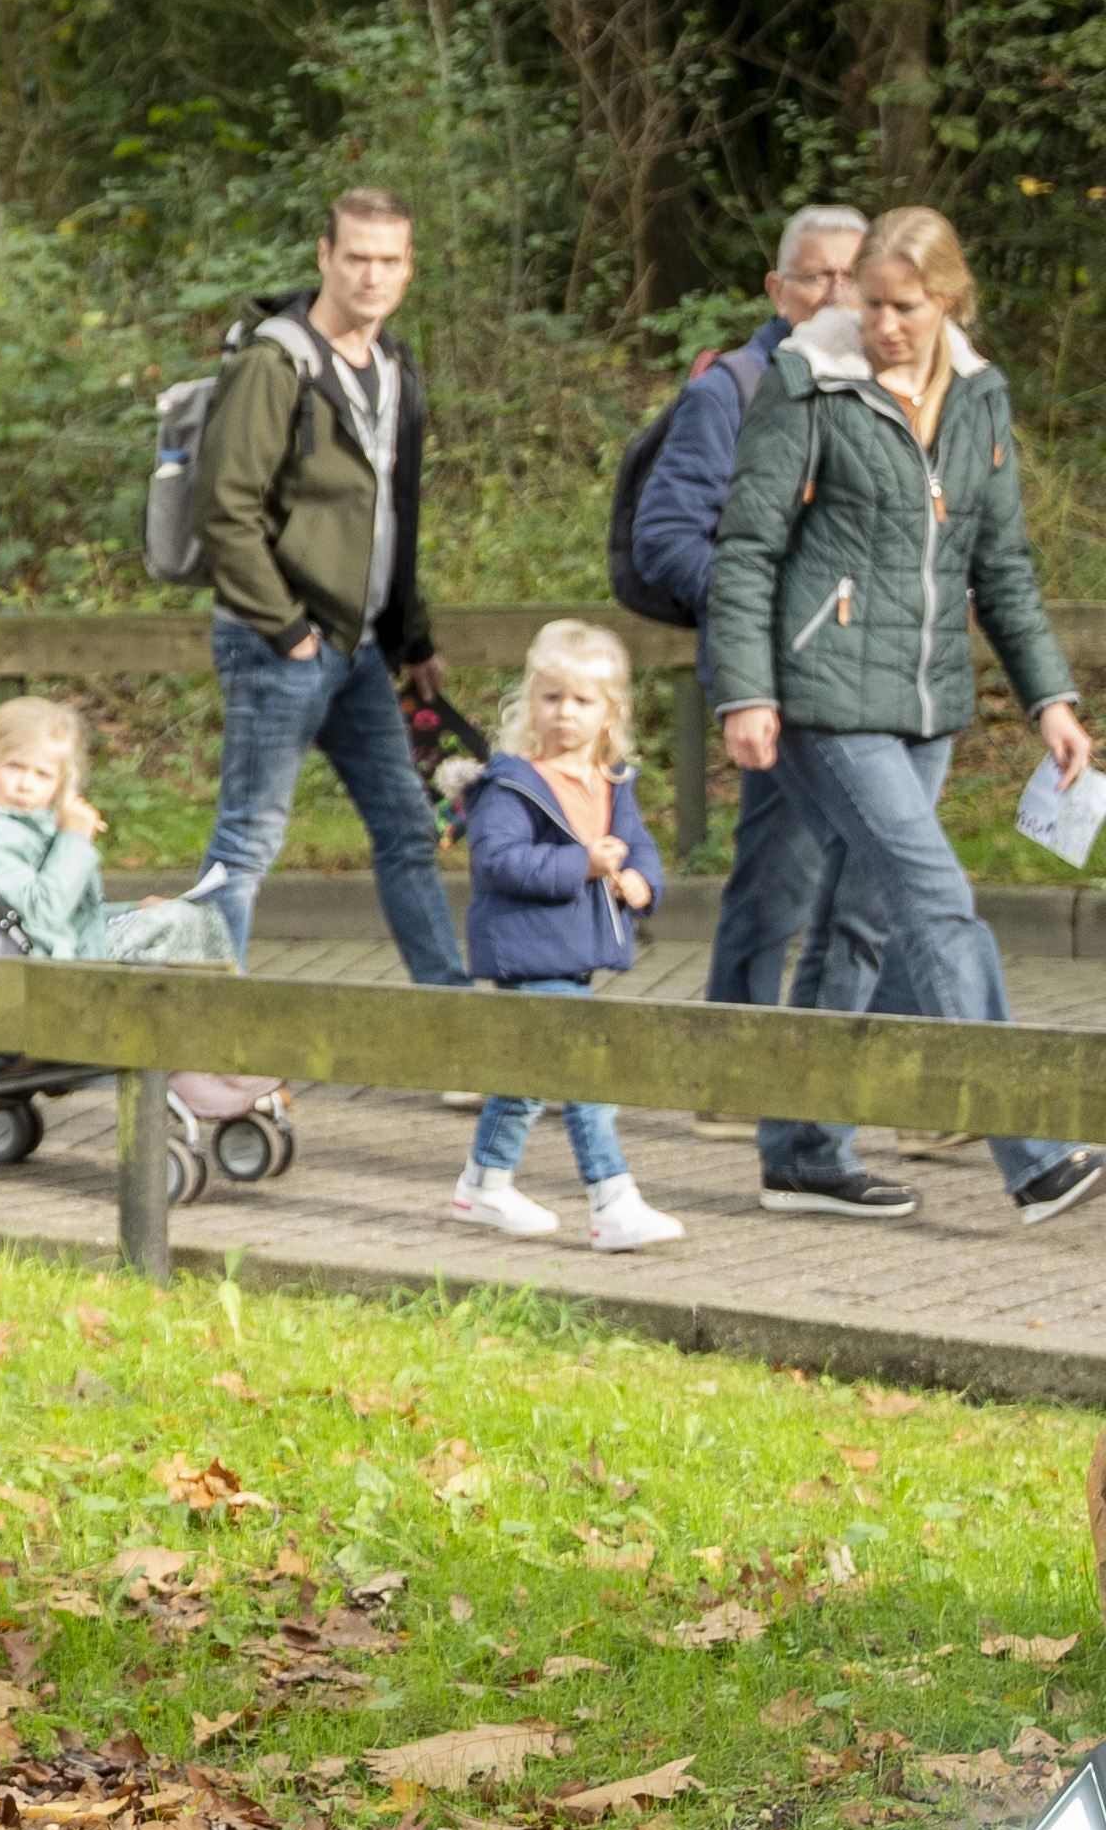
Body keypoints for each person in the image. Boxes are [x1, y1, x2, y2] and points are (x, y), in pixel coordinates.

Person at [700, 206, 1102, 1228]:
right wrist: (743, 691)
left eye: (902, 306)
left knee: (855, 921)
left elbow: (1001, 568)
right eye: (865, 301)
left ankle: (801, 1151)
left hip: (925, 701)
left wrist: (1050, 697)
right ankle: (1035, 1147)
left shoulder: (980, 400)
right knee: (935, 899)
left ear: (949, 303)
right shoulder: (804, 385)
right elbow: (744, 548)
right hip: (823, 697)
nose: (878, 322)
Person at [620, 202, 900, 1217]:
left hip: (861, 676)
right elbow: (666, 540)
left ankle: (749, 1071)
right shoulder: (732, 392)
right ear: (777, 291)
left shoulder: (877, 383)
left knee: (828, 866)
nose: (832, 296)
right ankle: (740, 1075)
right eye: (813, 278)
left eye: (849, 278)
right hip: (772, 675)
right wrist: (771, 616)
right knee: (832, 867)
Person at [184, 187, 468, 986]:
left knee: (410, 831)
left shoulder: (395, 367)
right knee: (246, 842)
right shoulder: (274, 364)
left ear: (409, 268)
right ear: (325, 258)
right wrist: (288, 629)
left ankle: (455, 1028)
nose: (372, 276)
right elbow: (224, 513)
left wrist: (413, 638)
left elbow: (395, 514)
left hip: (361, 647)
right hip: (280, 641)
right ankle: (210, 1041)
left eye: (388, 260)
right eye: (356, 258)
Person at [448, 623, 678, 1250]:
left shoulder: (611, 782)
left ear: (611, 712)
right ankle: (612, 1201)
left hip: (574, 950)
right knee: (586, 1072)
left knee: (527, 1076)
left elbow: (640, 847)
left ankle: (483, 1185)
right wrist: (583, 864)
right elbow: (498, 862)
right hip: (528, 949)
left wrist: (638, 881)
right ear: (532, 703)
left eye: (581, 701)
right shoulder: (512, 783)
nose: (565, 714)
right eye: (552, 698)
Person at [0, 696, 238, 966]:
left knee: (185, 917)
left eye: (43, 775)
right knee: (179, 923)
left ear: (62, 785)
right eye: (15, 766)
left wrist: (132, 909)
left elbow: (69, 918)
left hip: (69, 946)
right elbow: (41, 914)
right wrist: (75, 839)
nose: (26, 785)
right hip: (48, 963)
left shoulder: (19, 822)